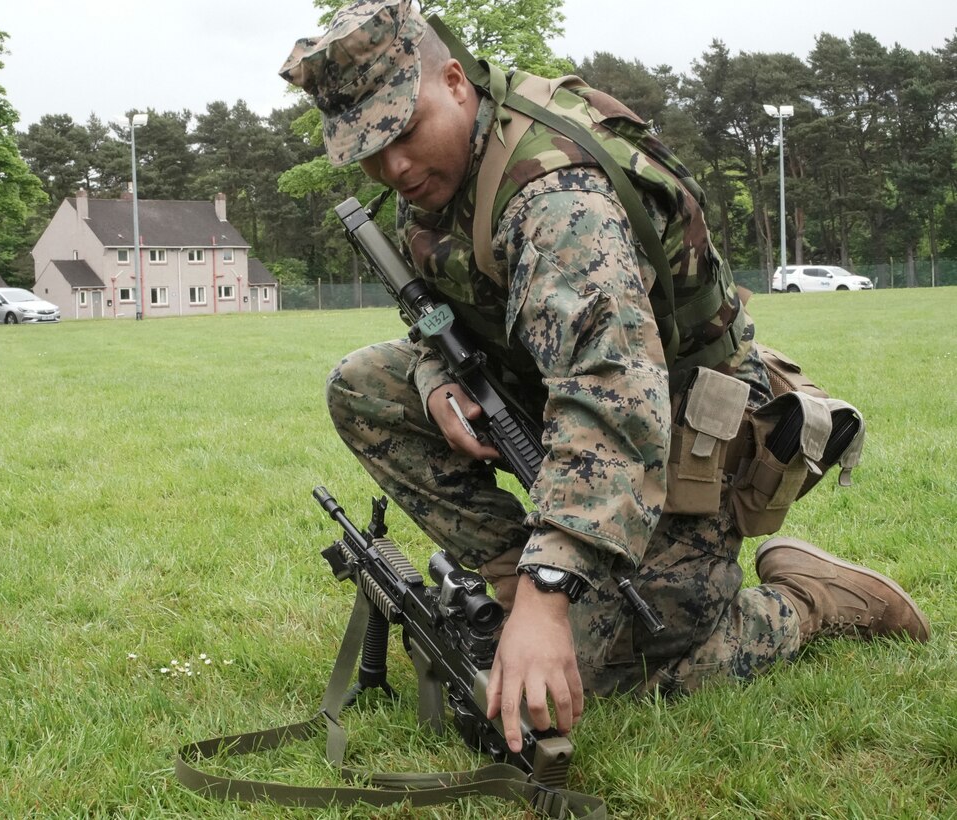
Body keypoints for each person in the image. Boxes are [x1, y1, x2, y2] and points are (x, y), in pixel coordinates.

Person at [279, 0, 930, 756]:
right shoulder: (434, 177)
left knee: (607, 674)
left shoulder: (557, 201)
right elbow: (447, 316)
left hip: (681, 435)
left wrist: (551, 596)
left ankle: (808, 602)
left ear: (454, 82)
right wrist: (431, 374)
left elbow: (610, 395)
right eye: (365, 147)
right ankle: (512, 579)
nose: (389, 165)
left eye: (402, 130)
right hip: (565, 392)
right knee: (364, 383)